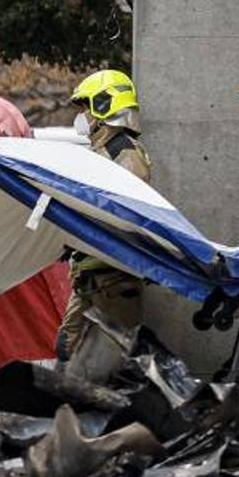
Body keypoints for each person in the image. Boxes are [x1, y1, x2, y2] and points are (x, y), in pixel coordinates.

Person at [56, 69, 152, 356]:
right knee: (68, 350)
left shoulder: (124, 151)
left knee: (115, 360)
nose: (83, 117)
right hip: (91, 275)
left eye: (86, 108)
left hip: (113, 277)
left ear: (104, 104)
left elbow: (124, 210)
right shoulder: (103, 152)